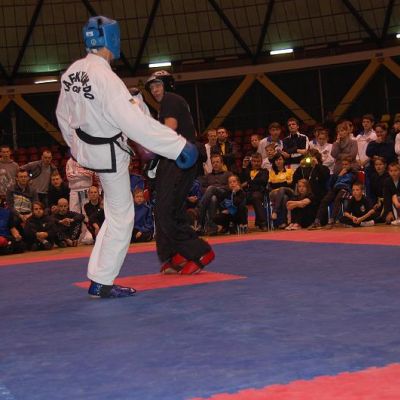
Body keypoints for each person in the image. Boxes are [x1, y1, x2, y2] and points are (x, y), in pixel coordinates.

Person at [56, 16, 197, 298]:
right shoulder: (107, 78)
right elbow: (135, 124)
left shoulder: (72, 71)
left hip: (88, 149)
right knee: (122, 216)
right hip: (108, 154)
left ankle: (99, 277)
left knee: (114, 214)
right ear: (112, 38)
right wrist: (177, 146)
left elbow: (63, 113)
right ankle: (102, 282)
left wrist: (75, 146)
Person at [146, 70, 214, 274]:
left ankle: (199, 251)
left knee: (167, 210)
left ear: (167, 85)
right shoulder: (170, 104)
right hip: (173, 159)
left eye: (158, 85)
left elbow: (169, 132)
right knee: (165, 210)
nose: (154, 90)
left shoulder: (171, 99)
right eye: (151, 87)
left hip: (177, 158)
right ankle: (173, 254)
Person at [308, 156, 357, 229]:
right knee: (325, 200)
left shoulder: (353, 173)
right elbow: (331, 183)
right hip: (335, 189)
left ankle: (332, 220)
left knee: (338, 199)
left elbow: (347, 181)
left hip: (346, 189)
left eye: (346, 164)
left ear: (350, 164)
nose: (344, 166)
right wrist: (338, 175)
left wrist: (340, 176)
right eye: (343, 164)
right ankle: (317, 221)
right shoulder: (338, 172)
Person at [197, 153, 232, 235]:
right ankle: (212, 227)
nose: (215, 164)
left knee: (211, 188)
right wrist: (210, 190)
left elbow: (231, 186)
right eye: (213, 162)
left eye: (217, 162)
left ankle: (200, 222)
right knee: (213, 198)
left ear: (222, 163)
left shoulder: (228, 174)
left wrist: (217, 188)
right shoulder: (208, 176)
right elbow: (202, 189)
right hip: (211, 198)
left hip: (224, 196)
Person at [240, 152, 269, 231]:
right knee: (239, 199)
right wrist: (244, 167)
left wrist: (248, 183)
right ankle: (243, 225)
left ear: (261, 162)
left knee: (255, 197)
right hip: (246, 194)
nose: (256, 163)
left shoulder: (265, 171)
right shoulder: (246, 171)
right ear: (251, 161)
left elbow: (263, 181)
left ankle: (263, 223)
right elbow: (240, 181)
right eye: (254, 161)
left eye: (258, 161)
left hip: (259, 193)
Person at [268, 152, 295, 227]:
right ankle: (283, 222)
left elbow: (290, 184)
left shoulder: (289, 171)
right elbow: (271, 185)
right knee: (284, 197)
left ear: (284, 160)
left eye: (280, 159)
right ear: (274, 162)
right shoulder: (271, 172)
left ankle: (275, 212)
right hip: (274, 193)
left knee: (282, 189)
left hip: (288, 191)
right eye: (276, 160)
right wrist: (283, 183)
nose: (278, 161)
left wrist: (280, 184)